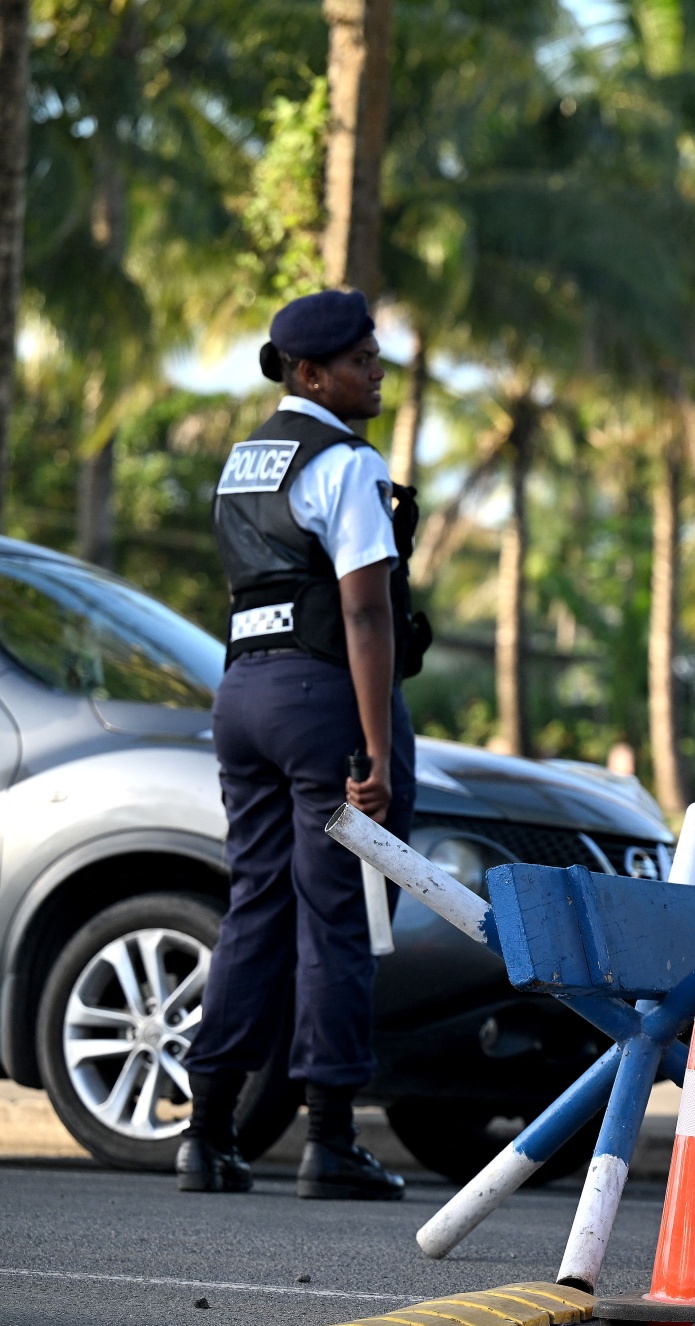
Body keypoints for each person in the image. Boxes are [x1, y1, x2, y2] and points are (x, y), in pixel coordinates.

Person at [178, 289, 428, 1199]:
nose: (378, 372)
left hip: (242, 689)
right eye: (364, 359)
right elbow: (364, 608)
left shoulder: (244, 460)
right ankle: (329, 1141)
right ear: (313, 373)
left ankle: (207, 1137)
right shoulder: (346, 463)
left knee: (253, 906)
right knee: (338, 915)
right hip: (324, 693)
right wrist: (377, 750)